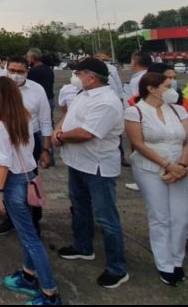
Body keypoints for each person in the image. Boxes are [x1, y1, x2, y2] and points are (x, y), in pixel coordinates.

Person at [52, 58, 129, 289]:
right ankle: (83, 246)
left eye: (78, 73)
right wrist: (58, 130)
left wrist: (61, 137)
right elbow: (69, 116)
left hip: (97, 166)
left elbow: (87, 133)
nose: (75, 77)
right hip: (77, 162)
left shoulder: (107, 102)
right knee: (80, 207)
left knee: (106, 217)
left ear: (92, 77)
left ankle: (117, 268)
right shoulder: (83, 94)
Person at [0, 77, 62, 306]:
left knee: (30, 239)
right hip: (28, 177)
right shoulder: (24, 117)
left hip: (14, 182)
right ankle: (28, 275)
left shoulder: (2, 124)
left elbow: (4, 162)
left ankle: (49, 293)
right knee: (29, 233)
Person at [124, 72, 188, 286]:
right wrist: (167, 165)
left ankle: (177, 259)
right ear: (151, 89)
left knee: (181, 216)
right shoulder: (135, 111)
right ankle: (165, 263)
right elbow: (138, 143)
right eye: (166, 85)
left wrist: (181, 165)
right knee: (160, 216)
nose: (172, 89)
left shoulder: (178, 109)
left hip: (181, 167)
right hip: (150, 169)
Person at [0, 57, 53, 237]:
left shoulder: (37, 90)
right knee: (6, 183)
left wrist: (46, 149)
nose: (15, 75)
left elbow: (45, 121)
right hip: (3, 140)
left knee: (28, 183)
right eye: (12, 70)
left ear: (27, 71)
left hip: (27, 143)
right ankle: (11, 219)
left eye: (20, 71)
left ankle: (33, 221)